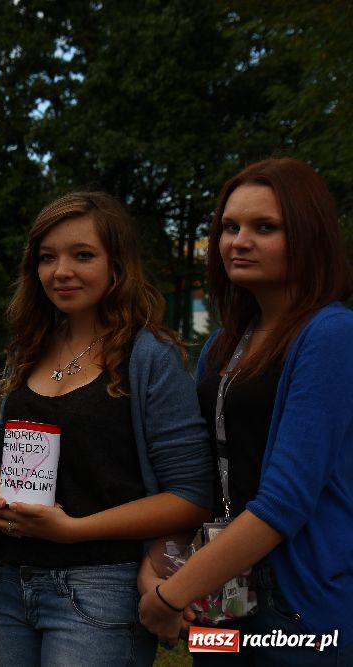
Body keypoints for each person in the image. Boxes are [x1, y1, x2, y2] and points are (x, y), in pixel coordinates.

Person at [0, 191, 213, 666]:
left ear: (117, 265)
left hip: (99, 590)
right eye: (48, 257)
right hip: (3, 584)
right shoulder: (30, 345)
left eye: (83, 255)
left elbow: (191, 494)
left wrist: (75, 530)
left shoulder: (151, 357)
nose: (61, 271)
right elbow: (2, 449)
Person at [139, 158, 353, 663]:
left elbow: (285, 502)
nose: (239, 241)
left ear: (309, 236)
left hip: (300, 610)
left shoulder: (331, 335)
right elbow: (201, 475)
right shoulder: (221, 345)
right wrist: (157, 566)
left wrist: (170, 596)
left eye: (265, 227)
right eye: (230, 227)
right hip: (223, 598)